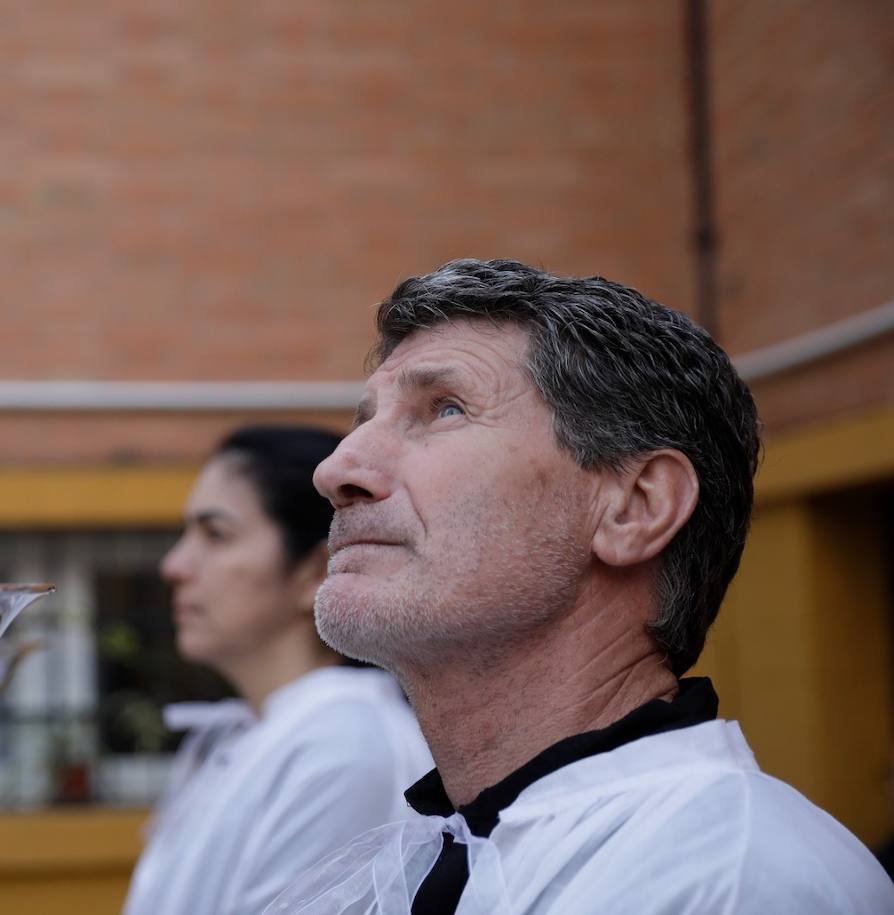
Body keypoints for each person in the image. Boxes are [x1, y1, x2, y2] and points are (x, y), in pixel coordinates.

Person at [265, 259, 894, 913]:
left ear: (635, 507)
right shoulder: (424, 860)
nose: (336, 469)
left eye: (444, 408)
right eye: (365, 419)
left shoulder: (734, 879)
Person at [123, 425, 432, 915]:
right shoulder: (254, 737)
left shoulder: (344, 749)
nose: (174, 566)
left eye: (216, 535)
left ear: (314, 571)